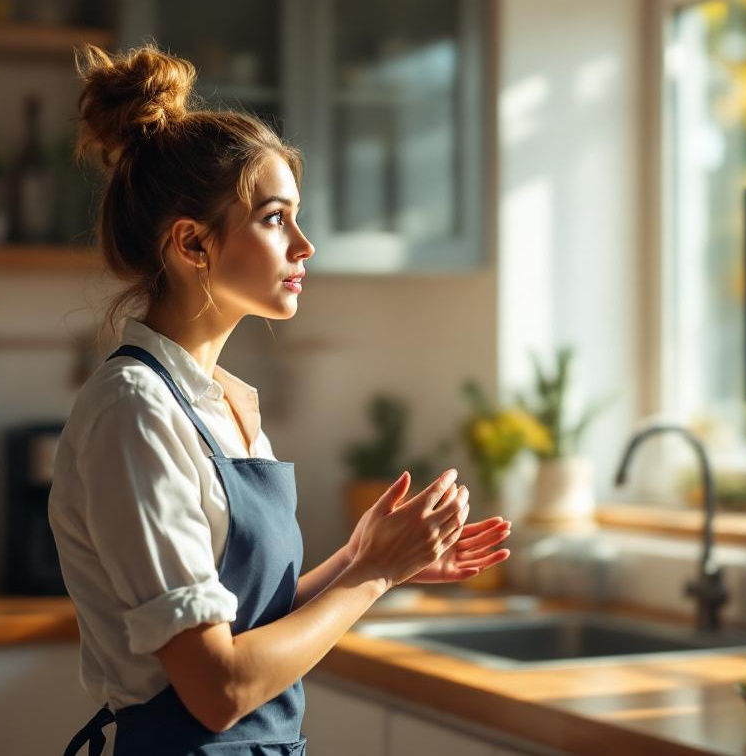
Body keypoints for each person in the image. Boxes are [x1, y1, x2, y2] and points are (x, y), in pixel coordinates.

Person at [49, 43, 513, 756]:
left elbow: (250, 622)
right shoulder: (134, 412)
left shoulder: (225, 404)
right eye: (275, 218)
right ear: (192, 245)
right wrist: (374, 576)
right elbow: (218, 687)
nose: (305, 245)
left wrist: (361, 559)